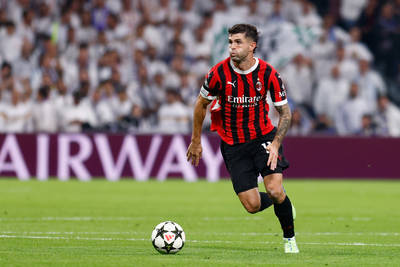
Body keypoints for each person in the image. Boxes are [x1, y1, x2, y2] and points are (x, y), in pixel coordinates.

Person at [186, 24, 299, 253]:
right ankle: (283, 203)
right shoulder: (218, 73)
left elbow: (285, 112)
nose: (232, 47)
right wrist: (196, 140)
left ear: (252, 46)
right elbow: (201, 104)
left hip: (263, 138)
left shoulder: (269, 74)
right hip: (233, 144)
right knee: (252, 205)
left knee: (275, 189)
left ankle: (289, 239)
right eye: (230, 42)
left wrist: (276, 143)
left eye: (238, 42)